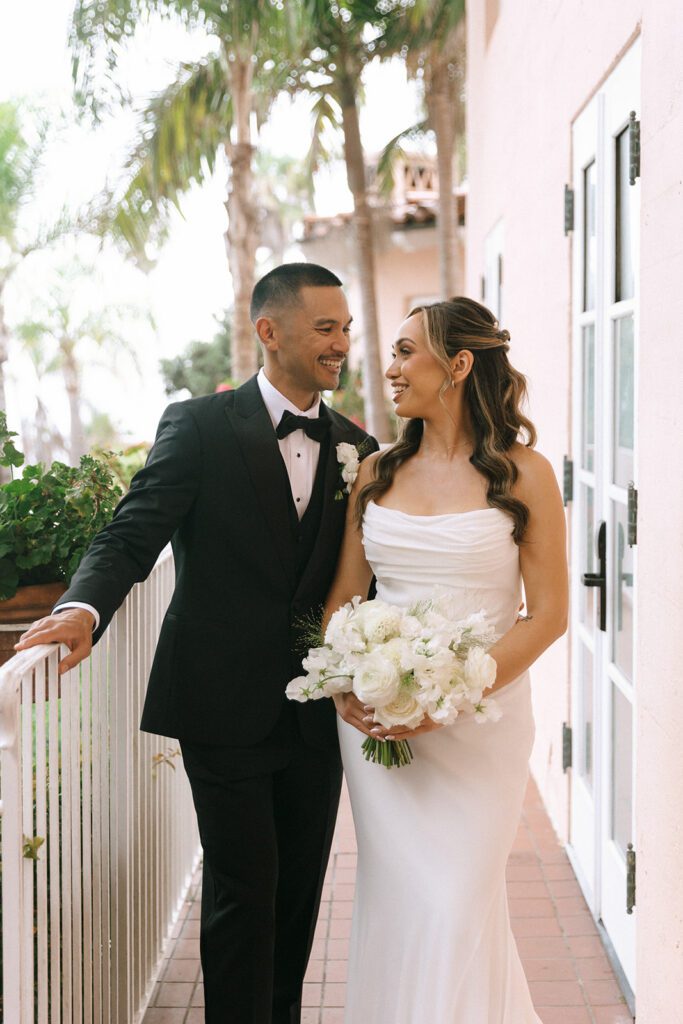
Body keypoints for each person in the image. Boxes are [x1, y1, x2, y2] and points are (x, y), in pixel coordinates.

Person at [15, 262, 378, 1024]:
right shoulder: (199, 426)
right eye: (326, 328)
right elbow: (133, 530)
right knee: (242, 892)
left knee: (296, 895)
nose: (341, 343)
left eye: (345, 328)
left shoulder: (358, 445)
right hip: (220, 700)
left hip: (314, 711)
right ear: (268, 331)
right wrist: (84, 608)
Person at [325, 296, 568, 1023]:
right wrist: (345, 683)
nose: (390, 368)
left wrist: (452, 696)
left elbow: (548, 615)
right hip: (378, 727)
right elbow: (345, 596)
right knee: (400, 901)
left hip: (480, 724)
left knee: (457, 902)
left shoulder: (525, 473)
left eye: (406, 352)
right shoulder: (374, 473)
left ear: (458, 365)